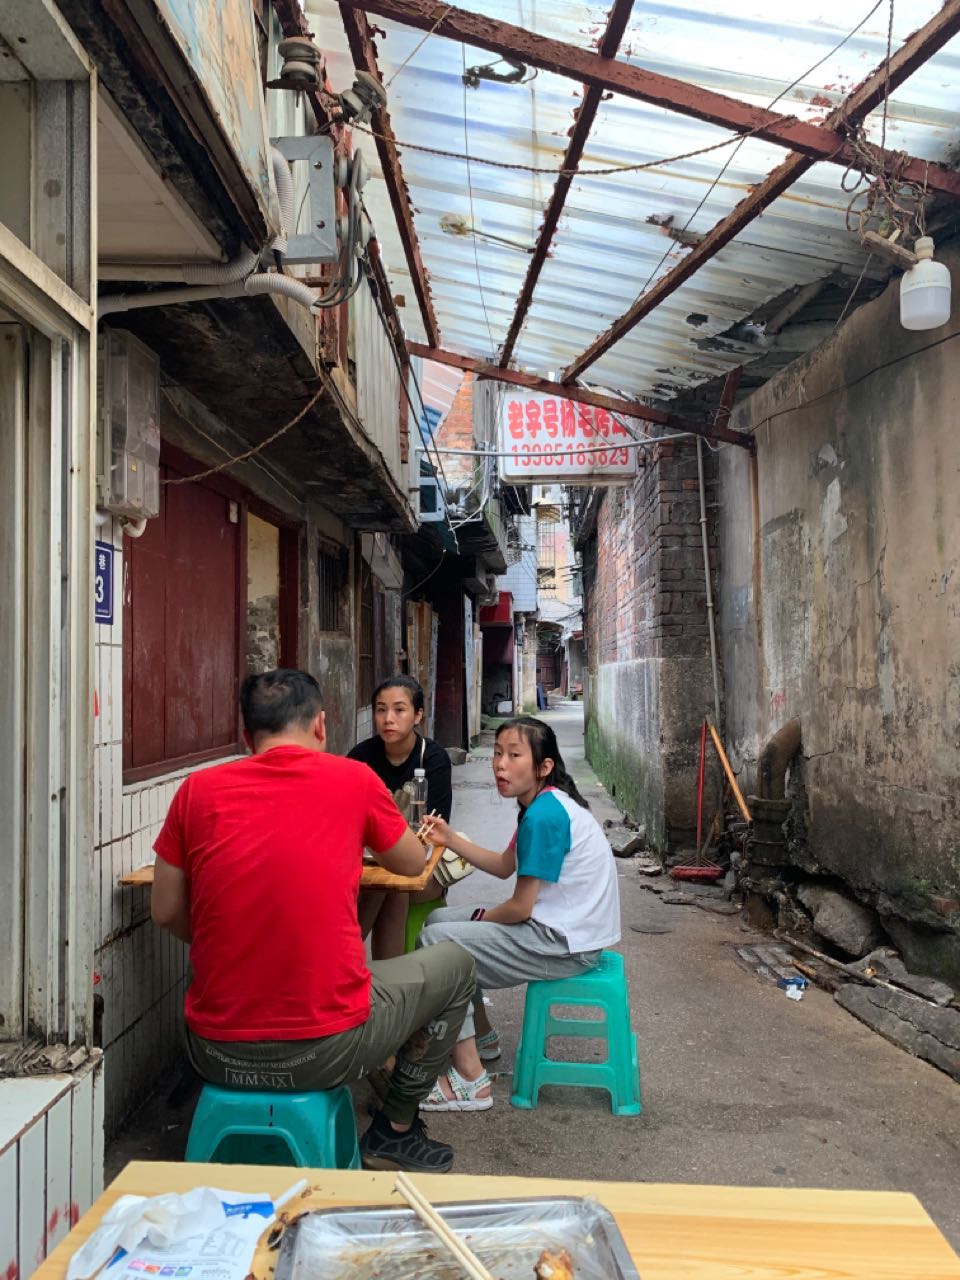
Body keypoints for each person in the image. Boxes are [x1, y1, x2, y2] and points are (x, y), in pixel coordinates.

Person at [150, 668, 475, 1172]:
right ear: (321, 725)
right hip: (324, 1051)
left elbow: (166, 910)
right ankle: (395, 1129)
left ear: (246, 734)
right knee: (457, 966)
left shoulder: (196, 791)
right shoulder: (354, 779)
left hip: (212, 1049)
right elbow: (413, 864)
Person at [416, 715, 621, 1111]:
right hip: (564, 931)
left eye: (514, 755)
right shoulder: (539, 804)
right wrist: (449, 838)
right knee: (439, 921)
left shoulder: (544, 816)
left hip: (564, 943)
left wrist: (480, 920)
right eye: (497, 754)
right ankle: (481, 1035)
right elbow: (504, 865)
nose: (500, 765)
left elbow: (520, 908)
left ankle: (470, 1080)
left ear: (543, 766)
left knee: (437, 942)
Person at [349, 676, 452, 961]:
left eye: (399, 709)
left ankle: (344, 957)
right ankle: (388, 977)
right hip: (369, 865)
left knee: (392, 882)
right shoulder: (360, 758)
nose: (388, 719)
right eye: (381, 710)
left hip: (424, 868)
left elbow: (435, 829)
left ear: (417, 715)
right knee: (387, 881)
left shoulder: (433, 759)